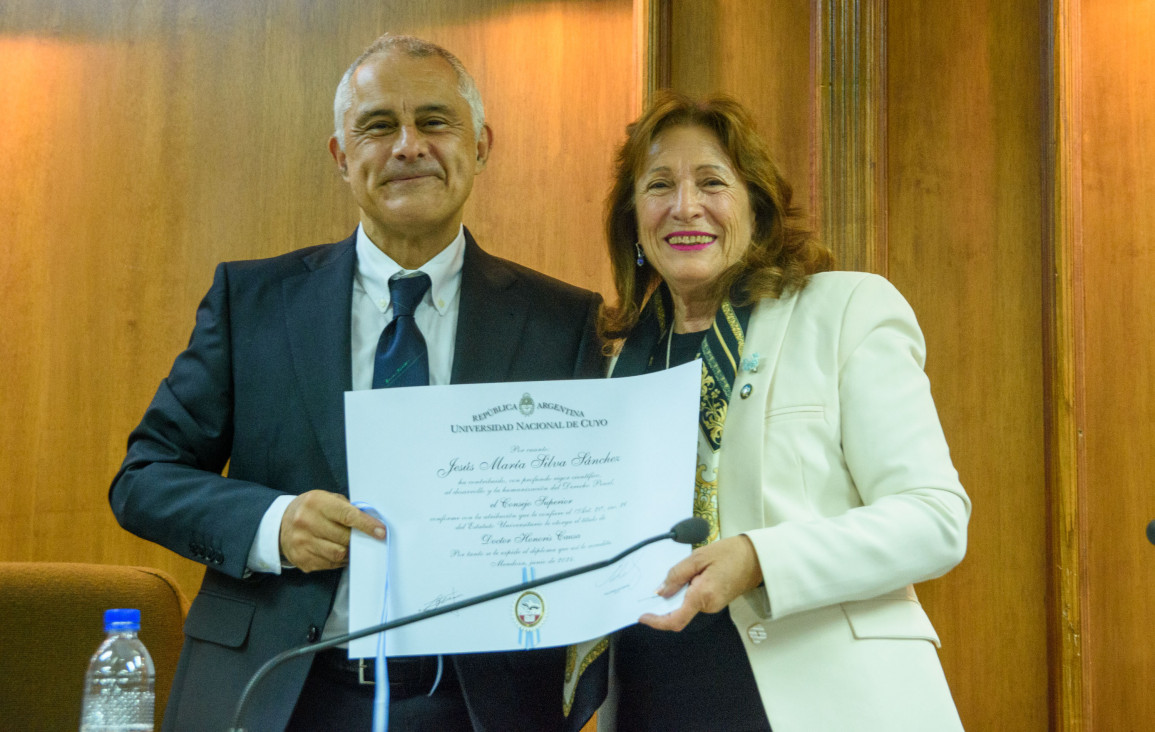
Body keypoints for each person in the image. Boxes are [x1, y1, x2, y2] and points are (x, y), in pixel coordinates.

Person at [110, 34, 602, 731]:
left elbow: (582, 514)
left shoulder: (563, 322)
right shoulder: (251, 301)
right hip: (277, 692)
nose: (407, 146)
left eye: (434, 121)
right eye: (377, 126)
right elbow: (143, 478)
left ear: (481, 145)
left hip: (482, 701)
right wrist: (273, 526)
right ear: (341, 157)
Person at [565, 92, 971, 731]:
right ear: (633, 221)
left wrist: (759, 557)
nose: (684, 206)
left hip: (827, 703)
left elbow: (935, 519)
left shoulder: (844, 311)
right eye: (659, 185)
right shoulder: (613, 364)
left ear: (756, 205)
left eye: (711, 182)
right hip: (656, 701)